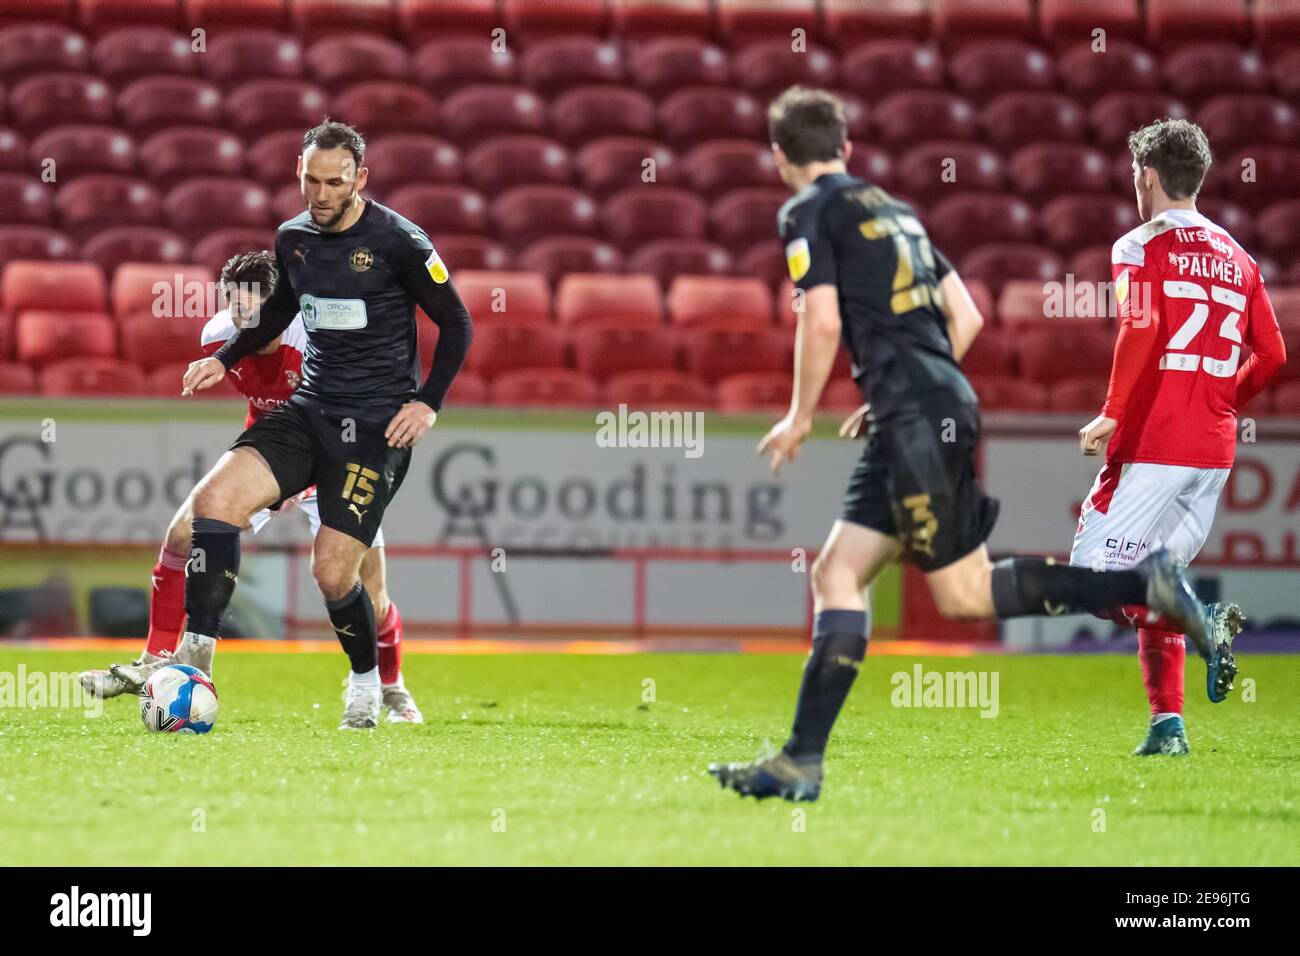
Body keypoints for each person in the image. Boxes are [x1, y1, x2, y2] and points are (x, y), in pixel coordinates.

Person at [708, 88, 1233, 803]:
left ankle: (1143, 587)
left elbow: (821, 320)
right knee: (894, 582)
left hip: (915, 414)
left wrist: (801, 414)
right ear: (847, 149)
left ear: (779, 158)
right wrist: (908, 392)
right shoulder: (896, 211)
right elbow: (969, 314)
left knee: (897, 584)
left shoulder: (805, 211)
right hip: (938, 403)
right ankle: (802, 759)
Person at [115, 119, 472, 729]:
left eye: (334, 182)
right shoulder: (293, 238)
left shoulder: (400, 241)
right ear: (298, 174)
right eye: (310, 179)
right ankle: (194, 661)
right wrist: (222, 358)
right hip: (309, 411)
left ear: (360, 178)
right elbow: (279, 309)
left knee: (334, 572)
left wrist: (429, 401)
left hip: (377, 426)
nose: (321, 194)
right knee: (213, 505)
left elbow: (458, 322)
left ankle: (366, 683)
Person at [80, 251, 423, 723]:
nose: (243, 323)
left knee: (362, 586)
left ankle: (390, 686)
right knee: (184, 532)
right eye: (235, 310)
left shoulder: (315, 336)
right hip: (274, 457)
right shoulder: (217, 337)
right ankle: (157, 658)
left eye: (254, 313)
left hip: (336, 460)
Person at [1073, 118, 1286, 755]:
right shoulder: (1240, 256)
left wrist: (1113, 409)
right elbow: (1272, 355)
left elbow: (1139, 327)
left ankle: (1200, 622)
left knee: (1095, 579)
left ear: (1146, 176)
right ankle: (1169, 726)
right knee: (1158, 576)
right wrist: (1221, 398)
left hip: (1155, 442)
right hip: (1213, 451)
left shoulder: (1138, 244)